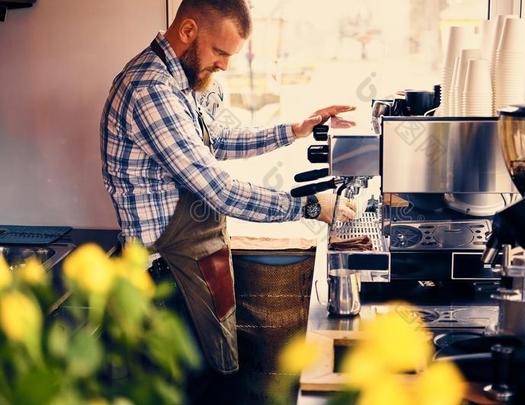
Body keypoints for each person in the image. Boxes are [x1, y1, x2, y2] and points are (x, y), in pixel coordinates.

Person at [100, 0, 355, 381]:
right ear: (187, 32)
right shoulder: (150, 90)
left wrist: (294, 131)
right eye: (220, 52)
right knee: (186, 385)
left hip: (200, 258)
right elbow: (219, 191)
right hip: (164, 277)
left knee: (214, 372)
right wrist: (308, 206)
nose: (225, 65)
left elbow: (216, 139)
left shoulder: (182, 82)